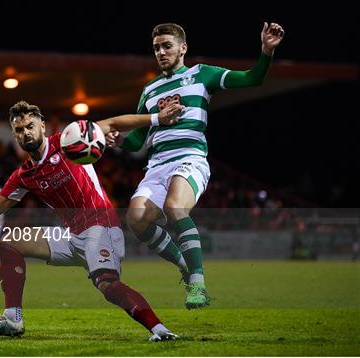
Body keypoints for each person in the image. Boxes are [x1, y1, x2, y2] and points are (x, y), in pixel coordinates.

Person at [0, 100, 184, 342]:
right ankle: (12, 319)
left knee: (107, 285)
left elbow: (113, 123)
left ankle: (159, 328)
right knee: (10, 240)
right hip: (71, 236)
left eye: (29, 126)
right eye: (18, 130)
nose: (25, 133)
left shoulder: (68, 140)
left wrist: (156, 118)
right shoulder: (24, 175)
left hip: (101, 227)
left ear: (42, 126)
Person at [106, 22, 285, 309]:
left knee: (176, 207)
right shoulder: (150, 90)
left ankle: (199, 284)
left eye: (166, 46)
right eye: (156, 48)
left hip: (190, 157)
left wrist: (266, 52)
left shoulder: (201, 74)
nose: (161, 52)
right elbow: (137, 140)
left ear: (182, 48)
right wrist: (118, 142)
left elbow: (252, 79)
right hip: (156, 166)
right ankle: (185, 267)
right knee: (136, 218)